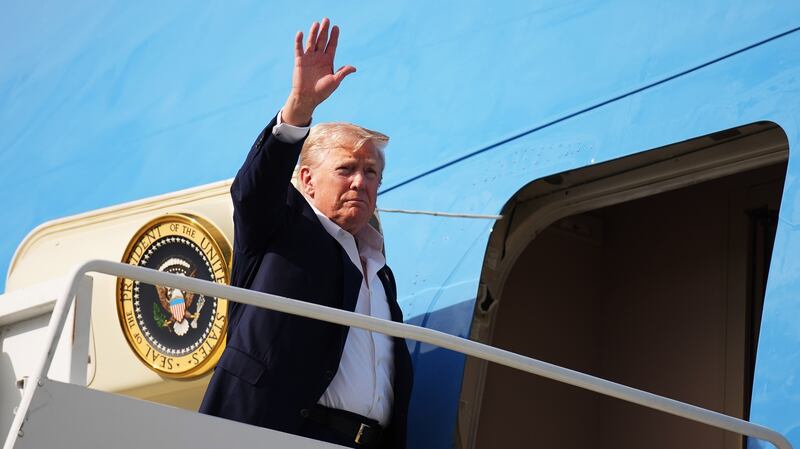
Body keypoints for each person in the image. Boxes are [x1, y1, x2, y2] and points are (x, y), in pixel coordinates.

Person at [199, 18, 413, 449]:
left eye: (371, 173)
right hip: (275, 434)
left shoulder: (380, 272)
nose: (360, 182)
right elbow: (253, 189)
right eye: (346, 169)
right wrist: (299, 110)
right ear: (308, 180)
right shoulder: (278, 229)